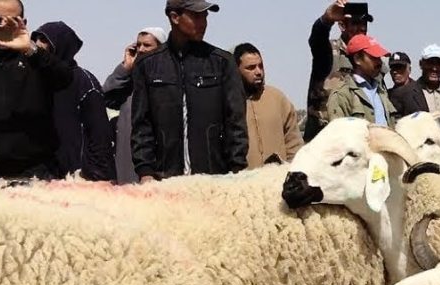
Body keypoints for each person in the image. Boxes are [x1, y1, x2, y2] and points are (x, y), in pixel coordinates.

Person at [132, 0, 246, 181]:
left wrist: (237, 170)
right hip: (165, 181)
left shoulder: (222, 62)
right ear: (175, 17)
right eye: (197, 16)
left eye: (205, 16)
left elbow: (236, 123)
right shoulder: (147, 65)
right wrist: (145, 172)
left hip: (214, 181)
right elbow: (141, 126)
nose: (204, 23)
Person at [0, 0, 72, 179]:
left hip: (34, 172)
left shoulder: (36, 59)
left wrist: (30, 48)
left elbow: (65, 78)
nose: (3, 26)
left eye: (11, 21)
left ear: (23, 23)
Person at [32, 21, 115, 181]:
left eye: (44, 40)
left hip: (77, 176)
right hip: (41, 174)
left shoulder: (84, 81)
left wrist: (97, 175)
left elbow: (99, 135)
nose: (37, 45)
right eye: (36, 39)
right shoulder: (33, 79)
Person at [103, 27, 166, 184]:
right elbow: (107, 94)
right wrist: (125, 67)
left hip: (156, 162)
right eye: (138, 45)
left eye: (147, 45)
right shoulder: (131, 81)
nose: (141, 50)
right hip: (128, 159)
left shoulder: (167, 80)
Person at [305, 0, 372, 140]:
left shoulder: (371, 58)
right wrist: (326, 19)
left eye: (363, 24)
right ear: (342, 25)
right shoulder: (328, 51)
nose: (361, 29)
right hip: (325, 136)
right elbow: (317, 39)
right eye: (355, 23)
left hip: (359, 136)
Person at [234, 43, 302, 168]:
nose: (258, 72)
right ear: (236, 70)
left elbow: (294, 144)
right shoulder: (229, 103)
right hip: (242, 183)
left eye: (260, 66)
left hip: (277, 181)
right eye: (251, 68)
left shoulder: (278, 99)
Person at [325, 33, 395, 125]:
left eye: (379, 58)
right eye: (373, 57)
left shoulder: (381, 91)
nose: (379, 62)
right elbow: (339, 134)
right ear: (357, 59)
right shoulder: (342, 95)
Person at [390, 44, 440, 119]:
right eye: (430, 63)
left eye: (438, 63)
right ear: (421, 64)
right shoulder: (404, 94)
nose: (434, 68)